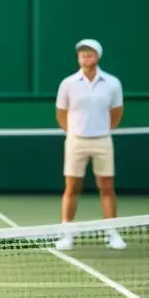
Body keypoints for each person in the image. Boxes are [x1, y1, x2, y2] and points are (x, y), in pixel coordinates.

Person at [53, 39, 127, 251]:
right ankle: (66, 232)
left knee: (106, 187)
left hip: (103, 141)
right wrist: (76, 131)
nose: (85, 56)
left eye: (90, 53)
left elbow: (116, 113)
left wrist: (100, 129)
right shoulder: (67, 83)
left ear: (98, 56)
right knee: (72, 187)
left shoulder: (113, 83)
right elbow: (61, 113)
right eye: (82, 53)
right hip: (75, 141)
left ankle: (112, 231)